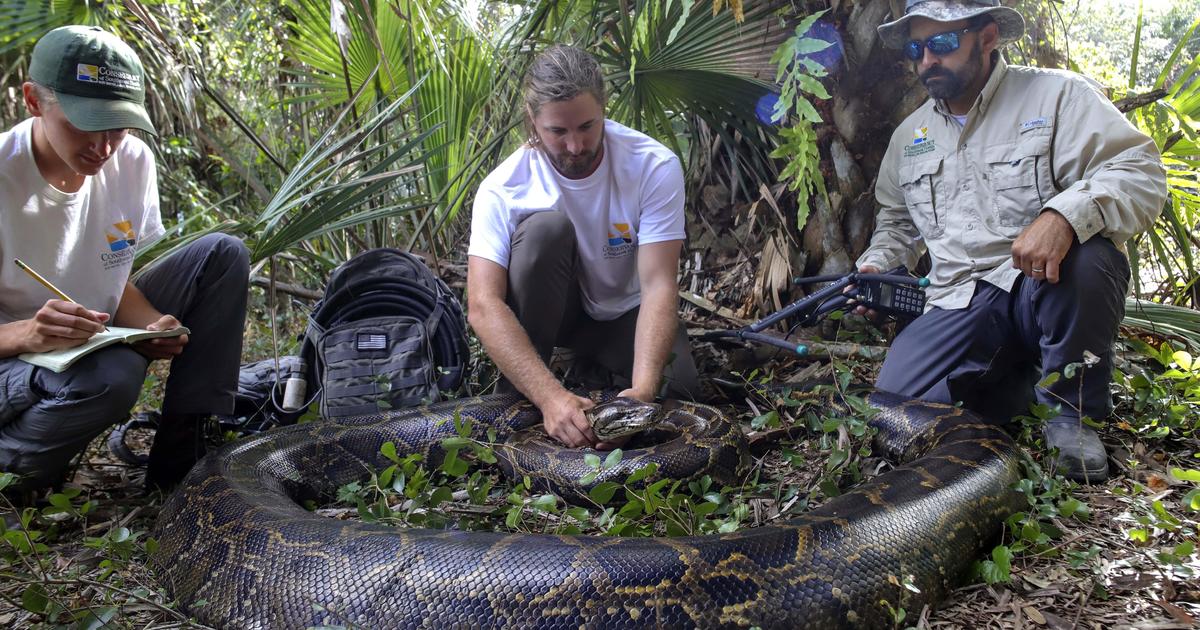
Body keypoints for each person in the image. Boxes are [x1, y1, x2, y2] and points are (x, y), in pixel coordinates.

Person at [859, 0, 1167, 482]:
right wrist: (876, 265)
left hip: (1039, 284)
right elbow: (896, 222)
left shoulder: (1057, 96)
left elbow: (1138, 171)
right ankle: (1018, 389)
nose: (926, 60)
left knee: (1090, 256)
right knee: (891, 411)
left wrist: (1063, 216)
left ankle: (1071, 415)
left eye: (941, 43)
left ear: (986, 38)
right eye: (917, 48)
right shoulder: (909, 136)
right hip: (957, 299)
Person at [0, 26, 249, 499]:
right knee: (112, 374)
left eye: (116, 125)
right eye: (83, 123)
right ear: (33, 101)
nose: (103, 146)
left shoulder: (131, 161)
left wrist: (155, 326)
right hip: (13, 360)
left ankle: (183, 460)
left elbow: (112, 278)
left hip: (84, 338)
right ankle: (14, 475)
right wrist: (26, 333)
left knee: (222, 254)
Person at [467, 44, 700, 449]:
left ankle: (595, 367)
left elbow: (660, 285)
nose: (575, 146)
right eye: (558, 132)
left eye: (587, 127)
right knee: (544, 233)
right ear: (532, 121)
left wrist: (642, 393)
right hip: (556, 317)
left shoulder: (653, 165)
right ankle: (518, 398)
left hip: (624, 312)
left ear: (604, 109)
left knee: (681, 391)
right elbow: (483, 305)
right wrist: (549, 397)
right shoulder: (503, 188)